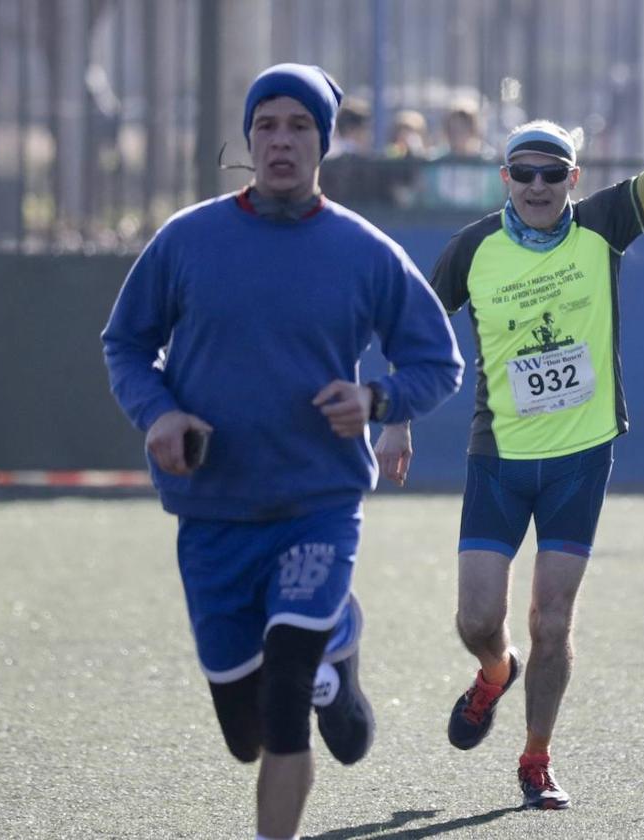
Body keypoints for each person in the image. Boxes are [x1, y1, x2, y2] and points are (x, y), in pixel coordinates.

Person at [101, 63, 463, 840]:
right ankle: (340, 642)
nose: (282, 140)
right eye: (267, 124)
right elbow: (126, 344)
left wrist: (376, 402)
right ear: (249, 137)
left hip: (316, 506)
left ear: (324, 143)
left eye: (300, 126)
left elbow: (438, 363)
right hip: (213, 514)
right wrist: (158, 413)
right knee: (245, 733)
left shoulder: (363, 252)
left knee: (286, 693)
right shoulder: (188, 239)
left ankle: (312, 668)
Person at [373, 27, 644, 811]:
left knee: (552, 619)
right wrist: (395, 416)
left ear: (571, 178)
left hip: (582, 455)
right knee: (476, 619)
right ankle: (494, 672)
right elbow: (416, 331)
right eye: (522, 173)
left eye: (549, 174)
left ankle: (534, 759)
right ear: (504, 177)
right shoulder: (473, 248)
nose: (535, 185)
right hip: (499, 457)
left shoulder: (602, 224)